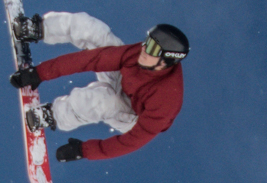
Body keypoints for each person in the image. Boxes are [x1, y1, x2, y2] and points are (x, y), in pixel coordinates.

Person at [10, 10, 188, 162]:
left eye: (153, 49)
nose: (144, 49)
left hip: (132, 115)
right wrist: (40, 73)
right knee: (92, 31)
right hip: (122, 80)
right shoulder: (139, 54)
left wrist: (84, 150)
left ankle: (51, 115)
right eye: (147, 42)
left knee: (101, 101)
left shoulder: (166, 101)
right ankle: (38, 28)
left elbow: (132, 141)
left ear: (165, 62)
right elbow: (93, 59)